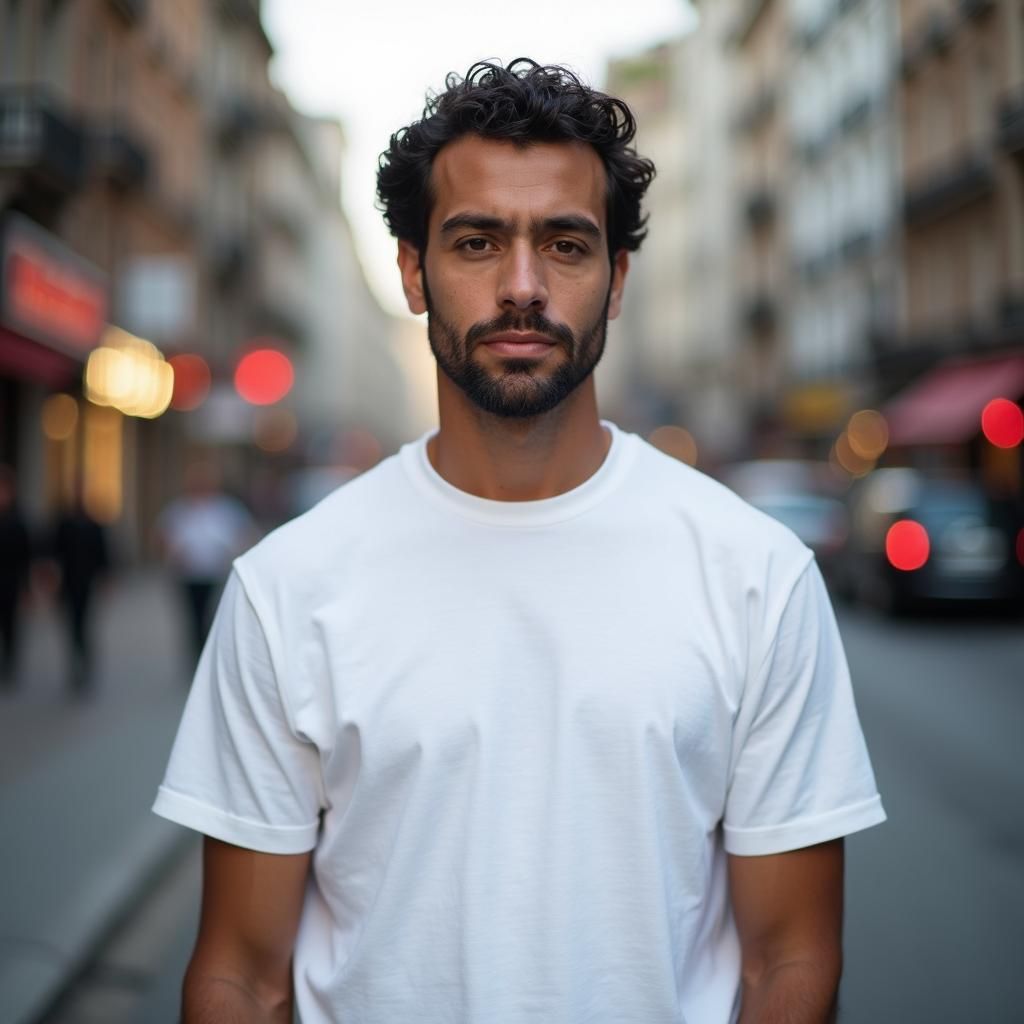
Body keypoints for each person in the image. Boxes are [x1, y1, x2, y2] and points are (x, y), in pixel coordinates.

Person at [154, 59, 886, 1023]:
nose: (524, 287)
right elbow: (242, 978)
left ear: (617, 279)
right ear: (414, 271)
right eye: (476, 241)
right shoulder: (287, 586)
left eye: (568, 245)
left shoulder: (757, 576)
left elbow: (790, 962)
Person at [157, 461, 257, 664]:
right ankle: (196, 656)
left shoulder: (226, 509)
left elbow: (246, 534)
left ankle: (210, 655)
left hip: (216, 573)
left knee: (214, 616)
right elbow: (162, 536)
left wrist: (233, 553)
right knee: (193, 617)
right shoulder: (179, 510)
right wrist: (173, 555)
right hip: (188, 574)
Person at [51, 488, 110, 692]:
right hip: (67, 583)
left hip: (86, 583)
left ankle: (84, 663)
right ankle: (75, 663)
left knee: (83, 624)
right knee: (71, 625)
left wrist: (105, 578)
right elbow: (53, 552)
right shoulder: (63, 525)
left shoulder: (93, 525)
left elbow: (103, 554)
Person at [0, 465, 32, 686]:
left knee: (10, 626)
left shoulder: (17, 520)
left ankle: (10, 664)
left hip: (10, 582)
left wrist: (26, 587)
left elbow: (25, 555)